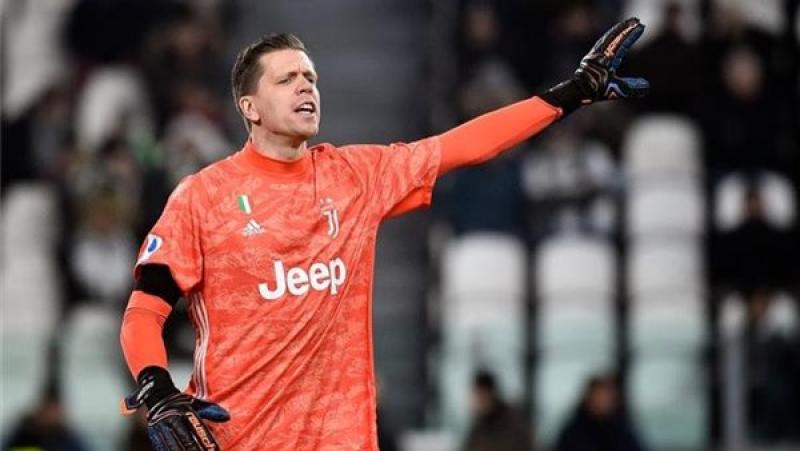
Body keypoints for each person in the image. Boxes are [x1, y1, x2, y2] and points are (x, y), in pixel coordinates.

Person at [119, 19, 649, 450]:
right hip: (240, 440)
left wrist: (568, 95)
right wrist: (156, 386)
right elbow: (144, 311)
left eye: (310, 77)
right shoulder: (202, 196)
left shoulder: (355, 177)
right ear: (249, 107)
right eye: (286, 79)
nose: (306, 86)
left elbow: (464, 145)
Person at [555, 375, 645, 451]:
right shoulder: (574, 433)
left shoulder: (622, 431)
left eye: (607, 398)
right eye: (599, 397)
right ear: (588, 398)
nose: (603, 402)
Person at [463, 370, 534, 451]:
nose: (477, 402)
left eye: (480, 396)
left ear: (490, 394)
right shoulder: (479, 426)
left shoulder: (513, 422)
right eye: (476, 396)